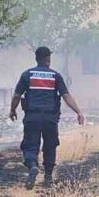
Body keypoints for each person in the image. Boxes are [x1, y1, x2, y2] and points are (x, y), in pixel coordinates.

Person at [10, 46, 85, 189]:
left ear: (36, 58)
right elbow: (66, 96)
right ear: (48, 59)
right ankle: (48, 177)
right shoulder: (55, 76)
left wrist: (12, 110)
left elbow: (17, 96)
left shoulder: (27, 75)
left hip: (32, 117)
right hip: (50, 119)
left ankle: (32, 166)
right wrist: (78, 112)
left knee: (30, 145)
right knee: (50, 146)